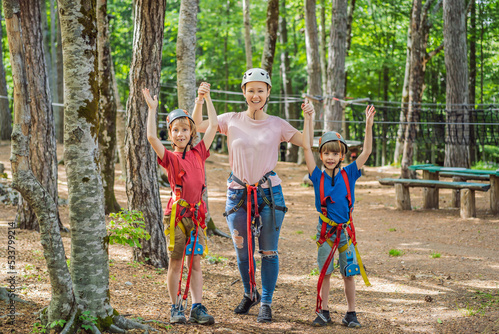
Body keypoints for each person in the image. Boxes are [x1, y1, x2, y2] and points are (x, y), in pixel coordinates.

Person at [192, 68, 308, 323]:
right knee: (242, 251)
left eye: (261, 90)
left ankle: (266, 301)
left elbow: (306, 142)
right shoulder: (230, 119)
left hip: (269, 194)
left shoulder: (277, 124)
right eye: (251, 90)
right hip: (238, 194)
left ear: (268, 93)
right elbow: (199, 126)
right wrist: (200, 100)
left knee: (268, 251)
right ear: (244, 92)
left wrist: (312, 122)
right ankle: (250, 293)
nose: (256, 95)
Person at [142, 82, 217, 325]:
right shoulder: (170, 158)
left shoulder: (199, 153)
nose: (181, 134)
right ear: (171, 133)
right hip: (176, 216)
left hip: (197, 218)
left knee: (195, 262)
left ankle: (196, 306)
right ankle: (175, 307)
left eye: (185, 130)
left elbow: (213, 125)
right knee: (175, 262)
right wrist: (152, 109)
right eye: (176, 130)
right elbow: (152, 137)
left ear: (191, 133)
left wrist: (205, 100)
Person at [302, 101, 375, 328]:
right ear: (321, 155)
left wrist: (368, 124)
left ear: (342, 155)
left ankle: (351, 313)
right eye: (326, 153)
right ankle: (323, 311)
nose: (331, 157)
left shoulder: (350, 173)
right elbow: (306, 147)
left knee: (349, 272)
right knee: (325, 272)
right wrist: (309, 118)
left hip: (345, 232)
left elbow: (367, 151)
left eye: (335, 153)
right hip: (325, 231)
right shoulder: (316, 175)